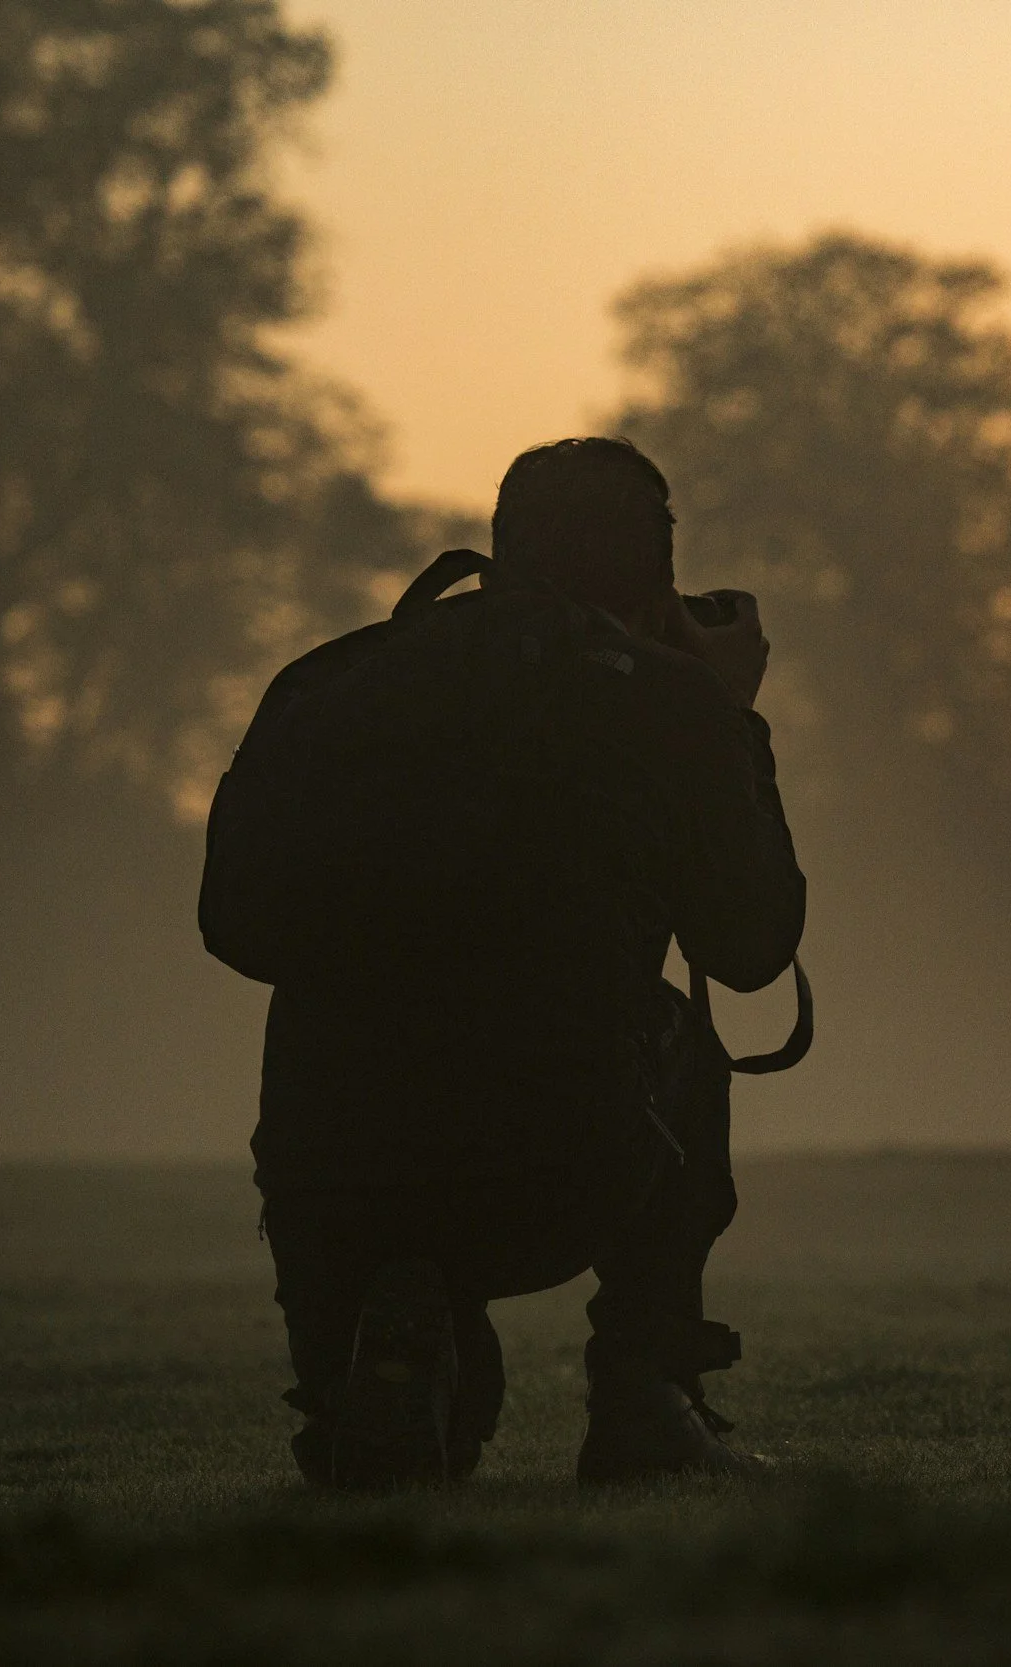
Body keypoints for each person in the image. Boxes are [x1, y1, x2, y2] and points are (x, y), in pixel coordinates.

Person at [244, 437, 804, 1488]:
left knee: (409, 1426)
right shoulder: (663, 703)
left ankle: (374, 1348)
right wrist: (728, 716)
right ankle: (645, 1391)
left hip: (336, 1169)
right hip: (559, 1162)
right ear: (658, 583)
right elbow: (751, 945)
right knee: (686, 1045)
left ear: (504, 550)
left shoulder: (338, 680)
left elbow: (234, 927)